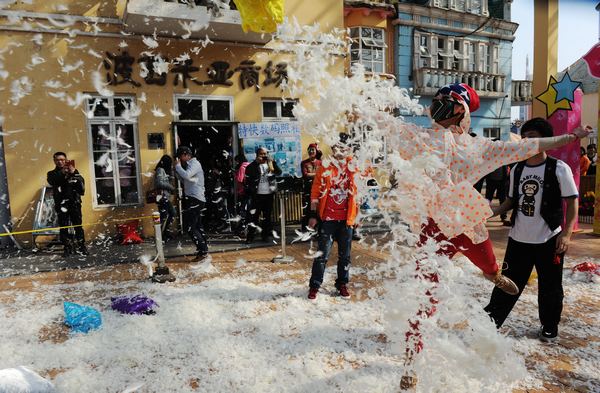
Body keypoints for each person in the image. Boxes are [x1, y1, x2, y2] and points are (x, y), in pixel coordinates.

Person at [484, 118, 587, 342]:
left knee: (550, 287)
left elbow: (572, 203)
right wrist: (486, 213)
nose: (526, 141)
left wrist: (566, 234)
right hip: (518, 239)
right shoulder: (517, 170)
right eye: (525, 137)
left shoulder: (559, 168)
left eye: (532, 137)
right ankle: (491, 321)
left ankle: (549, 326)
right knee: (507, 282)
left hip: (549, 239)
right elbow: (510, 201)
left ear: (545, 141)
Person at [307, 133, 359, 300]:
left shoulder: (353, 166)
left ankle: (342, 284)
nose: (339, 151)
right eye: (336, 148)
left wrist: (358, 216)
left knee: (345, 256)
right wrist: (314, 213)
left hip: (346, 219)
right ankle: (315, 285)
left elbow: (361, 190)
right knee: (322, 255)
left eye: (343, 148)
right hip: (328, 219)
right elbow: (316, 189)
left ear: (348, 149)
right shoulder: (326, 165)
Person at [47, 152, 87, 256]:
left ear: (66, 160)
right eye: (57, 160)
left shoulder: (74, 171)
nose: (60, 162)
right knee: (64, 226)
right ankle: (67, 247)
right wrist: (63, 173)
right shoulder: (51, 173)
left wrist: (73, 173)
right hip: (61, 204)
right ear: (54, 161)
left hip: (74, 203)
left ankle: (82, 246)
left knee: (78, 226)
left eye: (62, 160)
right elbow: (53, 181)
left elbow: (81, 187)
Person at [175, 146, 209, 261]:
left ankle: (203, 250)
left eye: (180, 157)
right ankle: (203, 250)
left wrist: (178, 166)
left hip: (196, 199)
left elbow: (186, 175)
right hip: (193, 198)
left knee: (190, 228)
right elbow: (184, 179)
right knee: (197, 226)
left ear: (185, 154)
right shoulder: (189, 165)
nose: (179, 159)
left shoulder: (195, 164)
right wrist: (176, 170)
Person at [244, 147, 282, 243]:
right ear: (257, 155)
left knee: (267, 217)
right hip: (257, 195)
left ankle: (265, 236)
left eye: (265, 154)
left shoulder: (270, 163)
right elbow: (247, 174)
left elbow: (279, 172)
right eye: (261, 154)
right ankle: (250, 237)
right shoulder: (252, 166)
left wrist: (273, 163)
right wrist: (256, 162)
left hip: (269, 195)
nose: (264, 156)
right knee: (254, 217)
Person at [483, 143, 510, 225]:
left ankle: (503, 217)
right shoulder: (489, 157)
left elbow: (510, 167)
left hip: (502, 182)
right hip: (491, 181)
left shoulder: (504, 157)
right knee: (488, 200)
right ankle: (484, 217)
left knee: (503, 200)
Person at [300, 143, 322, 231]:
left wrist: (312, 175)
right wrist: (318, 174)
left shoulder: (321, 163)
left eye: (313, 150)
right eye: (310, 150)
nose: (311, 151)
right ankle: (305, 230)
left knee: (318, 210)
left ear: (316, 151)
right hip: (308, 190)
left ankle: (318, 229)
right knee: (307, 210)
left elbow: (323, 174)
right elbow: (305, 175)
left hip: (319, 190)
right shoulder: (304, 163)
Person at [154, 155, 176, 241]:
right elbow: (159, 183)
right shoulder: (160, 170)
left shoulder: (164, 170)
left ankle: (165, 232)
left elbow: (168, 180)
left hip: (165, 197)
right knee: (164, 216)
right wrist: (171, 188)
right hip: (162, 197)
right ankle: (161, 235)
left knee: (171, 213)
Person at [234, 154, 250, 234]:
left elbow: (240, 179)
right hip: (250, 191)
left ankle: (243, 228)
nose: (236, 163)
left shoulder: (242, 167)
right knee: (248, 210)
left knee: (242, 210)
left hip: (243, 191)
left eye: (236, 161)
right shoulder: (249, 165)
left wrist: (235, 174)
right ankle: (247, 227)